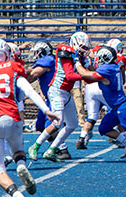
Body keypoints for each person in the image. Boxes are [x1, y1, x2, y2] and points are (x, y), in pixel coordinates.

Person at [0, 37, 59, 197]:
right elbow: (28, 90)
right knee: (17, 151)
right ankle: (21, 165)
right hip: (13, 118)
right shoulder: (11, 67)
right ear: (4, 53)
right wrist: (46, 110)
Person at [28, 31, 90, 162]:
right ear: (76, 44)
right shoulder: (66, 53)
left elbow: (89, 70)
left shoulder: (79, 57)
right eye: (84, 47)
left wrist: (95, 73)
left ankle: (52, 149)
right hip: (57, 91)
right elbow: (69, 76)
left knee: (72, 124)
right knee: (57, 122)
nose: (85, 50)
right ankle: (35, 146)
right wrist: (88, 76)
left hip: (66, 93)